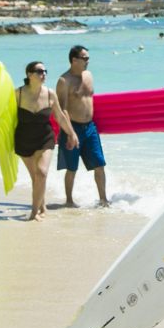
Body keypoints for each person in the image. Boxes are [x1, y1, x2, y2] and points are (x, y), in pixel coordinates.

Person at [14, 61, 76, 221]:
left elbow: (60, 117)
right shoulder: (18, 94)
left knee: (41, 172)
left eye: (45, 71)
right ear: (29, 74)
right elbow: (6, 118)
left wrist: (71, 134)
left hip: (45, 138)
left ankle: (34, 213)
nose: (44, 74)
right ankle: (42, 205)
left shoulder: (50, 93)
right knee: (35, 177)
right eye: (40, 71)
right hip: (23, 139)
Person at [57, 45, 108, 207]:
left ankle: (103, 200)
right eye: (85, 58)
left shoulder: (89, 75)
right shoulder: (64, 81)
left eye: (88, 58)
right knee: (72, 168)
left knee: (99, 165)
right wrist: (71, 133)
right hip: (72, 128)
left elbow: (89, 100)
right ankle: (69, 201)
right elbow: (61, 109)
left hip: (90, 128)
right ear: (74, 60)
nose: (88, 61)